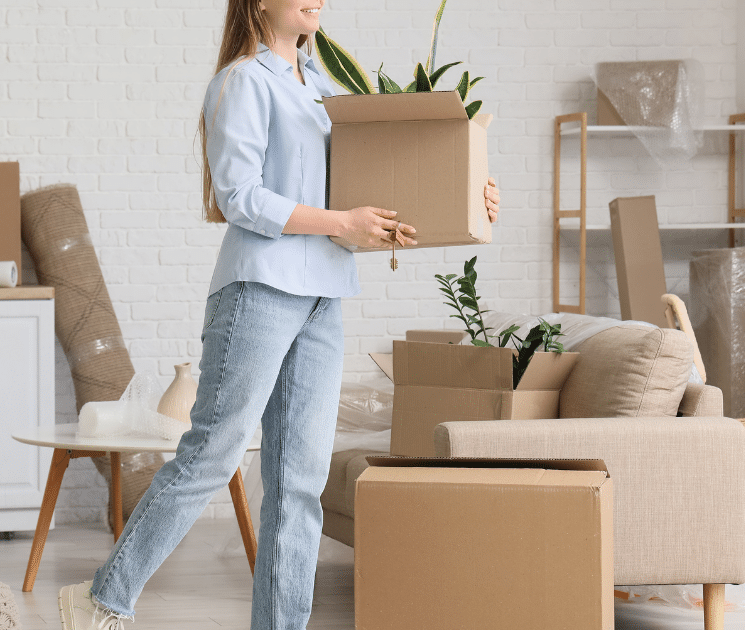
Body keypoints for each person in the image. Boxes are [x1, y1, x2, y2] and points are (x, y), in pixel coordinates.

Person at [58, 1, 501, 628]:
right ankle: (102, 599)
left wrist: (469, 191)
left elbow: (377, 181)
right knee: (214, 452)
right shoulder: (242, 81)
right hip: (259, 288)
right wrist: (341, 223)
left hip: (323, 294)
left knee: (299, 481)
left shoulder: (327, 88)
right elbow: (239, 196)